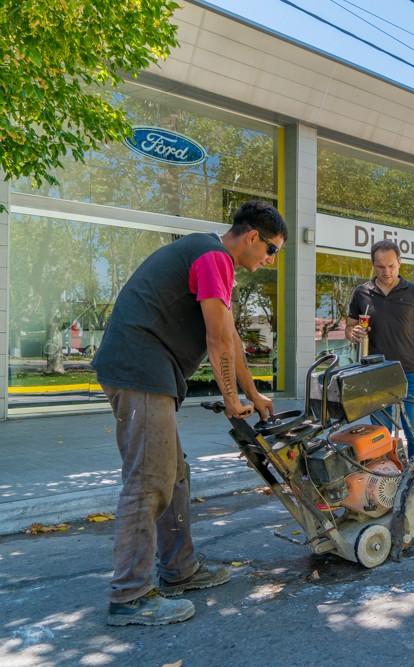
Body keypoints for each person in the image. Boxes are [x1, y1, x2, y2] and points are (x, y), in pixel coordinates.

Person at [91, 200, 286, 626]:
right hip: (140, 368)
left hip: (147, 370)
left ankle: (180, 569)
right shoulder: (214, 256)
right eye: (272, 250)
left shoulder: (212, 259)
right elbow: (216, 342)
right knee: (149, 480)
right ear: (253, 237)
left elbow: (231, 338)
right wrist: (232, 401)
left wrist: (256, 394)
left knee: (174, 472)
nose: (269, 259)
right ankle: (129, 596)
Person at [347, 239, 414, 458]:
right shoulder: (361, 293)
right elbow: (349, 328)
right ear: (373, 265)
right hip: (375, 373)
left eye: (391, 266)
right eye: (380, 267)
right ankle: (385, 476)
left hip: (410, 372)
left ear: (400, 263)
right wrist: (353, 333)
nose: (386, 271)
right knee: (379, 432)